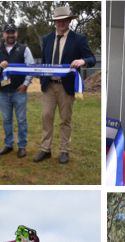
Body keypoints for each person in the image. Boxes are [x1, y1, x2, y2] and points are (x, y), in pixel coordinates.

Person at [34, 5, 96, 165]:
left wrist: (83, 61)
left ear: (69, 20)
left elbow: (91, 59)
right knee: (46, 117)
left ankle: (64, 150)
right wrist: (41, 78)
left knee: (65, 120)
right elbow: (44, 61)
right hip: (48, 85)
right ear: (54, 22)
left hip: (67, 86)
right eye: (58, 21)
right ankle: (45, 150)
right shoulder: (47, 39)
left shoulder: (79, 39)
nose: (61, 23)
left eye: (64, 20)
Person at [0, 23, 34, 158]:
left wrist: (25, 84)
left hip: (19, 91)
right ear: (3, 34)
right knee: (6, 120)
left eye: (12, 32)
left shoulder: (24, 49)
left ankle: (22, 146)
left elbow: (30, 68)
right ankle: (8, 144)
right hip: (3, 92)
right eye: (7, 32)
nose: (10, 35)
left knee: (21, 120)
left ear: (16, 34)